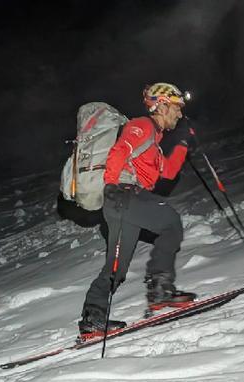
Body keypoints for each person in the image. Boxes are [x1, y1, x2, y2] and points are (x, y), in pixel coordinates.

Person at [78, 82, 199, 338]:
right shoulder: (141, 125)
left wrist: (183, 145)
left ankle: (92, 318)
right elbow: (120, 150)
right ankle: (160, 289)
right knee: (170, 223)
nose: (179, 114)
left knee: (116, 268)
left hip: (124, 201)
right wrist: (112, 186)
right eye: (176, 108)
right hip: (123, 195)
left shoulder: (154, 143)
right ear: (162, 106)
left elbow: (167, 172)